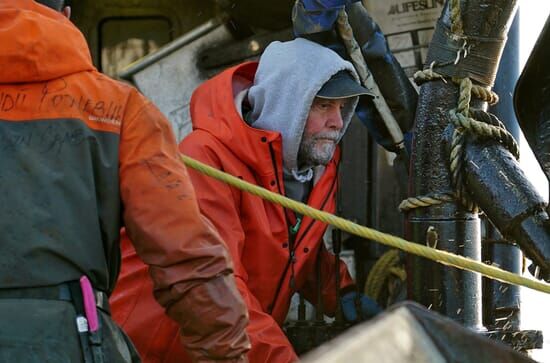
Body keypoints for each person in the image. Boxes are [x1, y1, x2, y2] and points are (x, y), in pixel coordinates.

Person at [0, 1, 249, 362]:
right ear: (66, 15)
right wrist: (225, 354)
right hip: (73, 344)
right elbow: (185, 256)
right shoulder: (122, 109)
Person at [111, 38, 382, 362]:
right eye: (323, 105)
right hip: (153, 349)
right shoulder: (207, 161)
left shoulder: (313, 169)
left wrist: (340, 292)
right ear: (286, 104)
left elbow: (292, 244)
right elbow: (220, 289)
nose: (337, 123)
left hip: (225, 349)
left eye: (343, 107)